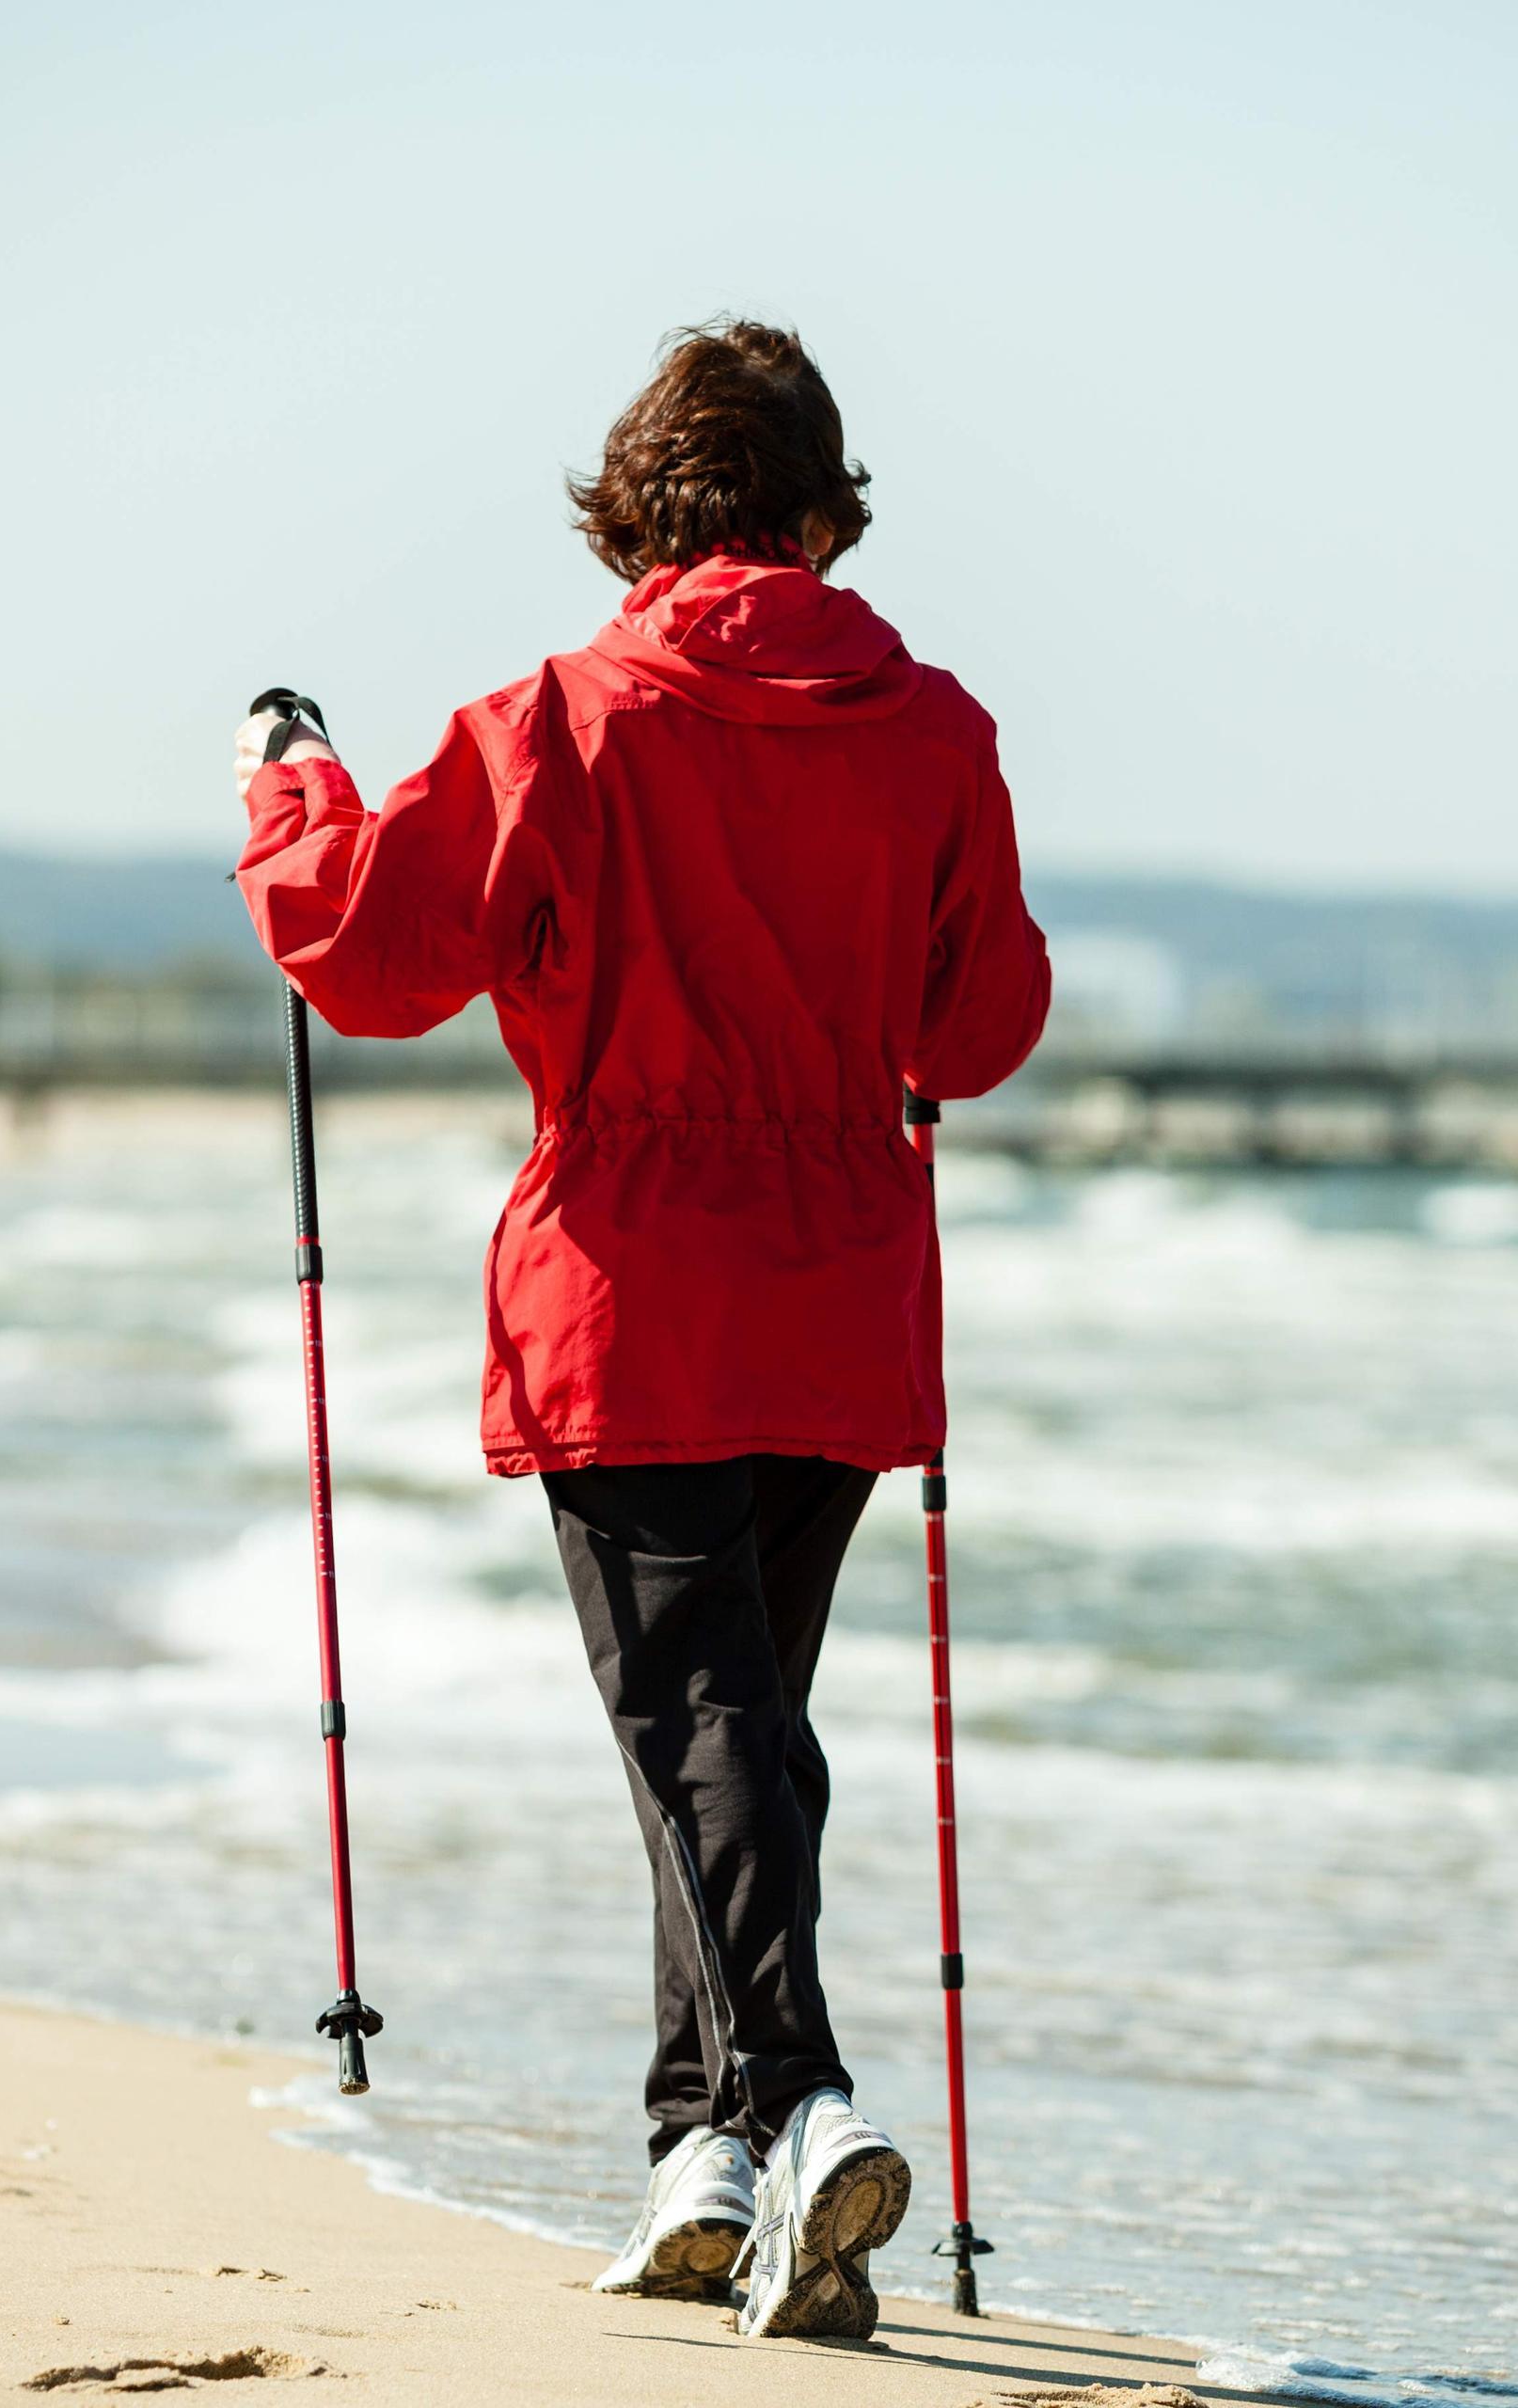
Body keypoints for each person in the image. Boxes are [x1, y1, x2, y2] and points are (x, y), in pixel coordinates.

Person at [227, 320, 1052, 2342]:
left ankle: (802, 2092)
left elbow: (369, 943)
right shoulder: (934, 729)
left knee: (699, 1726)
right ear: (816, 505)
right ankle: (701, 2141)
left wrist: (289, 792)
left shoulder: (563, 723)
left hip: (633, 1282)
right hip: (843, 1281)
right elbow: (980, 1025)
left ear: (642, 515)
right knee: (741, 1724)